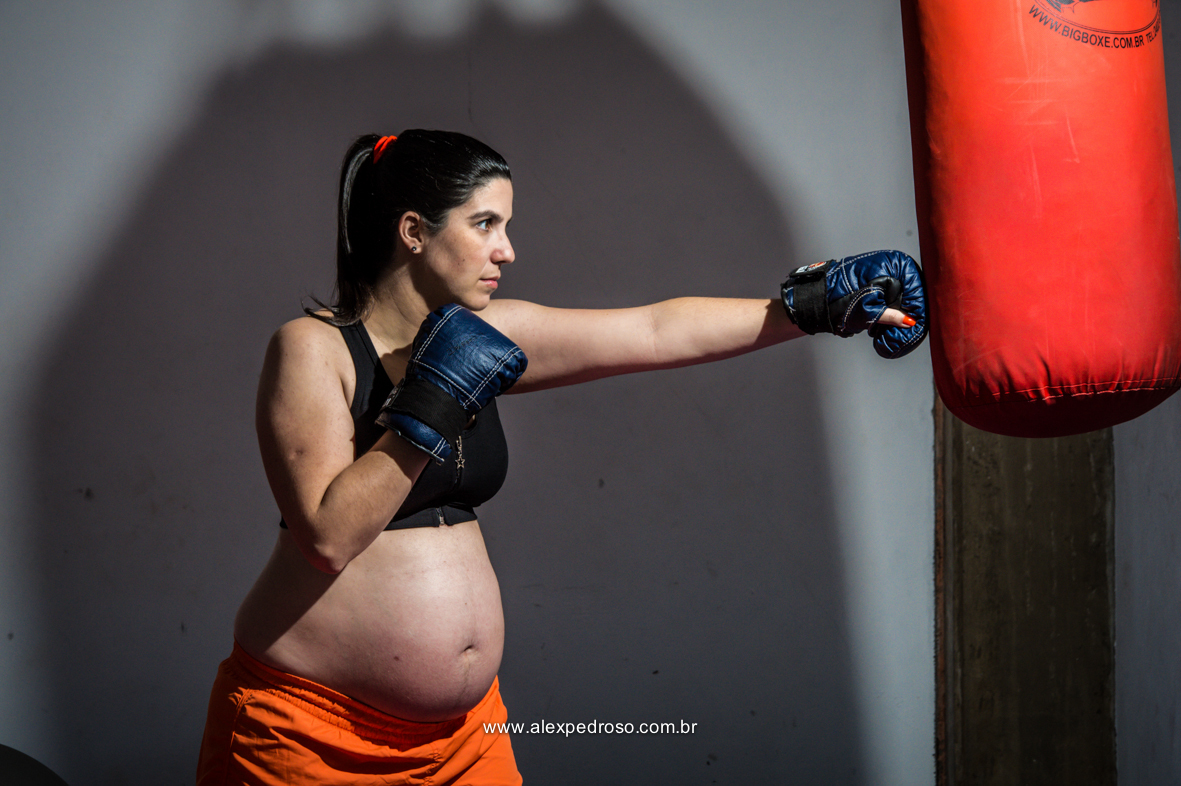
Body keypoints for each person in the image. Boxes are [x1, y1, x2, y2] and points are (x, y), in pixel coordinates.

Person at [195, 129, 927, 786]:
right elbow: (326, 538)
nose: (505, 250)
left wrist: (806, 308)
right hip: (311, 736)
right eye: (485, 224)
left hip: (464, 741)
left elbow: (650, 331)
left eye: (505, 226)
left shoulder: (491, 332)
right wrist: (433, 404)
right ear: (413, 231)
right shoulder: (313, 348)